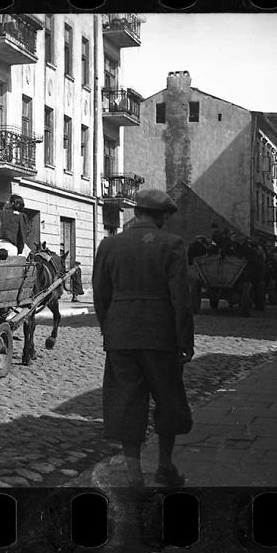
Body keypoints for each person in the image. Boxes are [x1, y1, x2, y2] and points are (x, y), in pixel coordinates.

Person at [92, 188, 195, 488]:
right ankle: (164, 466)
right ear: (162, 216)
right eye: (166, 216)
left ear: (136, 212)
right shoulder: (172, 244)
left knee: (125, 402)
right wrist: (185, 341)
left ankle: (134, 475)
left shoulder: (109, 244)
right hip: (161, 336)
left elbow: (101, 294)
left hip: (121, 335)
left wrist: (108, 328)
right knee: (168, 399)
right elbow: (181, 299)